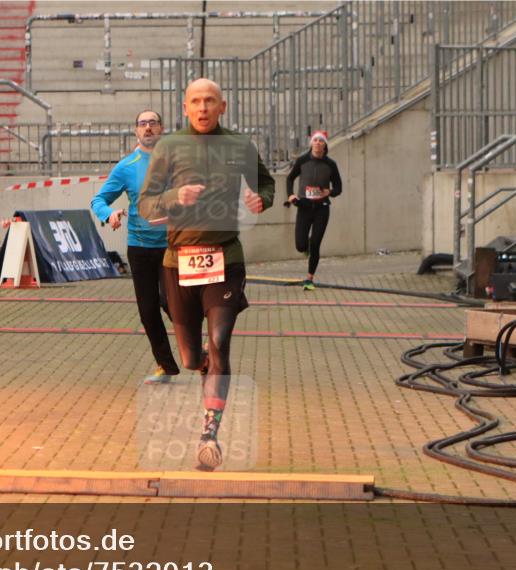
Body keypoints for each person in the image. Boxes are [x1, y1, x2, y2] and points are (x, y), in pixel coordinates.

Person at [138, 78, 275, 471]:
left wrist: (260, 199)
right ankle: (202, 366)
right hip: (178, 263)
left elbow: (265, 182)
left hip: (225, 261)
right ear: (185, 108)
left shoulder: (238, 145)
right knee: (190, 355)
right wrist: (172, 198)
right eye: (195, 101)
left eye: (210, 101)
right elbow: (146, 204)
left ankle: (209, 436)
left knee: (219, 342)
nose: (202, 108)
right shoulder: (169, 147)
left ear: (223, 106)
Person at [90, 110, 180, 385]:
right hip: (139, 247)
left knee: (172, 303)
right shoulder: (127, 166)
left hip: (171, 246)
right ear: (136, 131)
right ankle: (166, 366)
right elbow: (98, 200)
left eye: (153, 123)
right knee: (148, 310)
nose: (148, 128)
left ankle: (195, 353)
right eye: (143, 124)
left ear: (162, 128)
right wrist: (110, 214)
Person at [285, 131, 343, 290]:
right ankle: (307, 247)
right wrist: (290, 195)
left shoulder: (331, 164)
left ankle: (309, 279)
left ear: (325, 145)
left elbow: (339, 188)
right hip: (304, 207)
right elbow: (290, 178)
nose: (318, 143)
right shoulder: (302, 161)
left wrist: (329, 192)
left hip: (322, 209)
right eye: (315, 140)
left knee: (316, 244)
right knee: (301, 246)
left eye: (321, 141)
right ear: (311, 143)